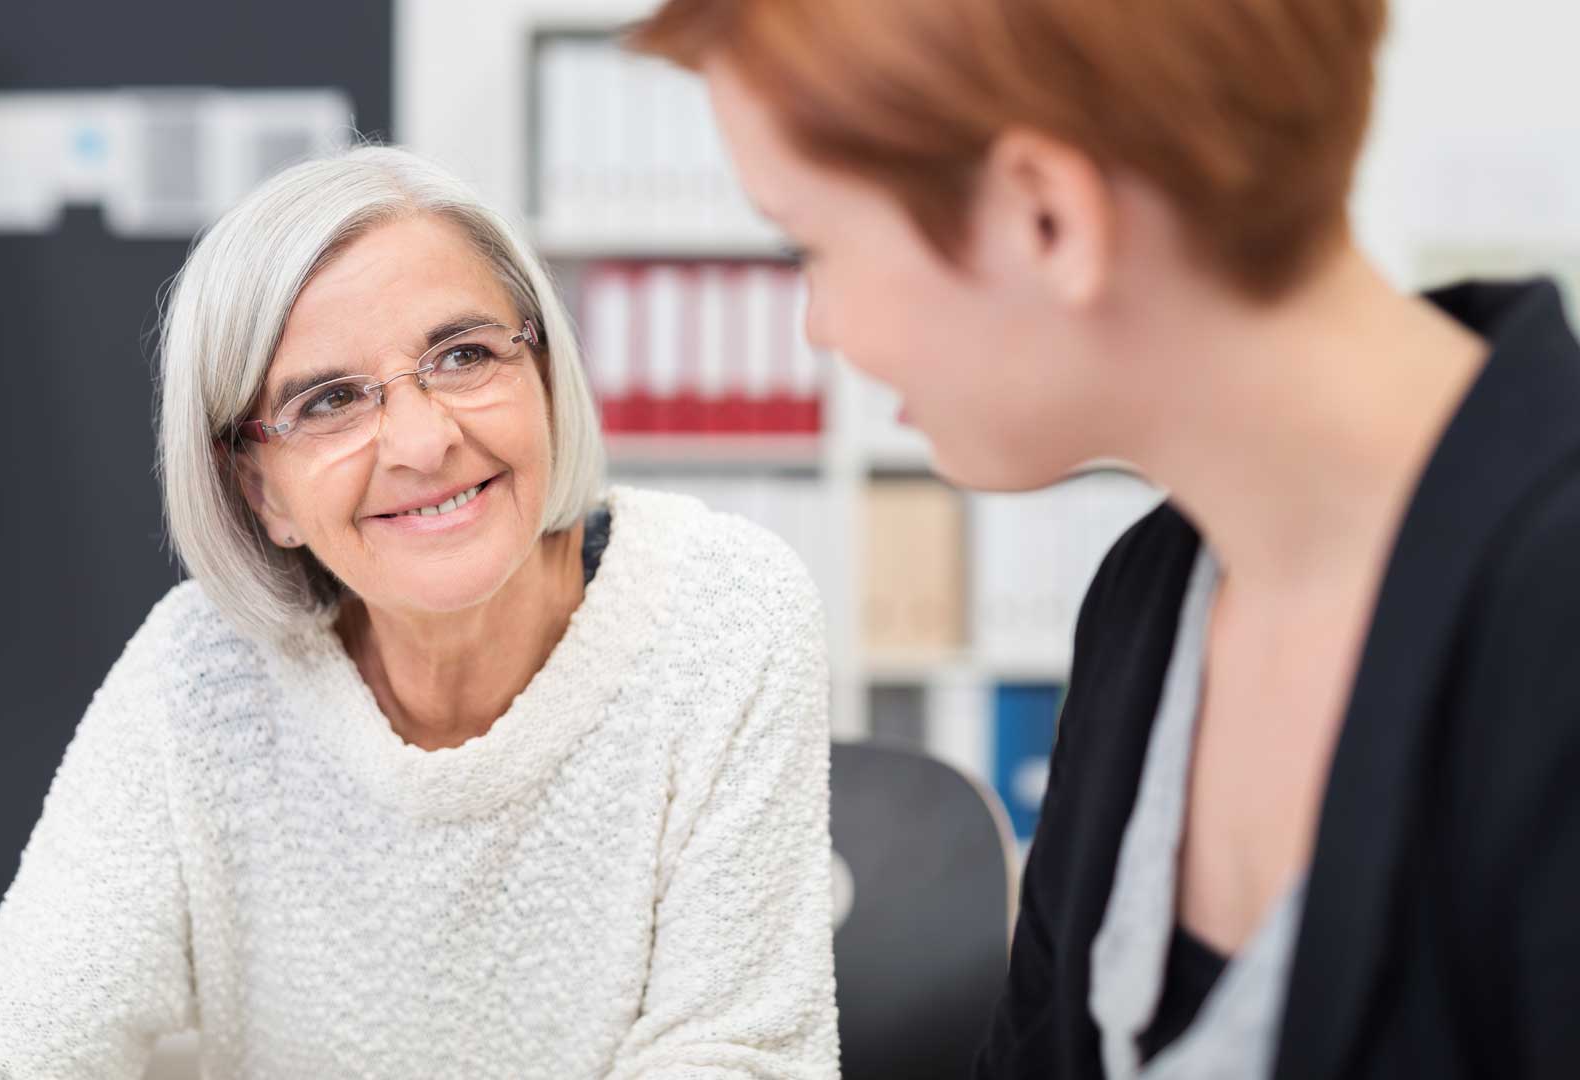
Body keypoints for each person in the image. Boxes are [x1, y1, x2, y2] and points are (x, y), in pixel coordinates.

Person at [635, 1, 1580, 1077]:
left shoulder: (1549, 629)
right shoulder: (1152, 600)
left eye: (814, 246)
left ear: (1047, 217)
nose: (819, 327)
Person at [0, 146, 839, 1079]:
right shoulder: (202, 674)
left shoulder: (722, 609)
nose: (421, 441)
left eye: (462, 355)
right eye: (329, 401)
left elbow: (738, 1058)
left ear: (542, 371)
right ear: (261, 490)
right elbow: (9, 1038)